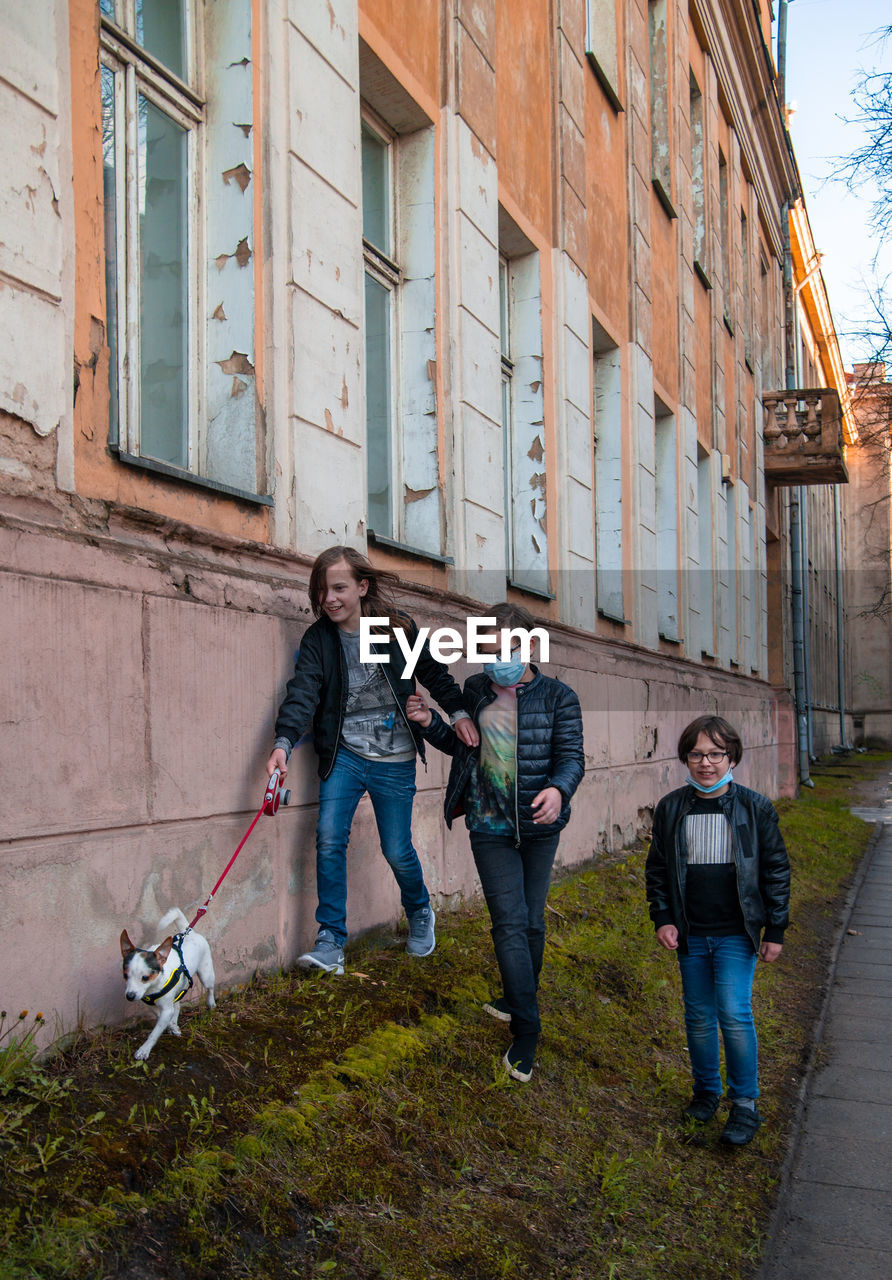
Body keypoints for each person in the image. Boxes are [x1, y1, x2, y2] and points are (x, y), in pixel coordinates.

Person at [266, 546, 479, 975]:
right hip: (344, 756)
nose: (330, 598)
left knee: (396, 849)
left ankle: (419, 910)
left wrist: (456, 713)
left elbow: (434, 673)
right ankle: (330, 941)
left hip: (395, 757)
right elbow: (303, 693)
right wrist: (283, 744)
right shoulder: (319, 640)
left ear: (362, 587)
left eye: (339, 588)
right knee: (329, 838)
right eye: (323, 589)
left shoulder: (395, 628)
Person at [406, 603, 584, 1083]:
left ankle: (516, 995)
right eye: (487, 646)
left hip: (539, 826)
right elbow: (460, 744)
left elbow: (572, 758)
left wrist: (558, 789)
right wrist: (429, 723)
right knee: (509, 924)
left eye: (506, 645)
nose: (496, 654)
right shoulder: (476, 690)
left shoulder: (559, 697)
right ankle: (527, 1030)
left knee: (530, 923)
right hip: (488, 824)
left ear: (529, 645)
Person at [644, 715, 790, 1145]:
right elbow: (657, 870)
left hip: (736, 933)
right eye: (696, 754)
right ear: (685, 758)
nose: (705, 763)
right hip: (691, 933)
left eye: (715, 754)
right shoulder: (672, 807)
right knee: (700, 1017)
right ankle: (706, 1092)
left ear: (732, 758)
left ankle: (744, 1104)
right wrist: (663, 917)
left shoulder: (755, 807)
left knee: (734, 1012)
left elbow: (775, 871)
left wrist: (775, 930)